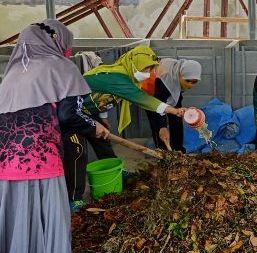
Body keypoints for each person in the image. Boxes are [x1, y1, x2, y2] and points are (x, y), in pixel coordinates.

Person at [0, 20, 109, 253]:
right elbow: (68, 115)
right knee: (49, 217)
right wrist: (95, 128)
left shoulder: (12, 74)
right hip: (40, 158)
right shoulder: (61, 67)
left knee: (16, 219)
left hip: (6, 161)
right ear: (58, 42)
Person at [62, 46, 186, 209]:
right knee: (77, 152)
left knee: (103, 141)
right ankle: (74, 198)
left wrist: (102, 118)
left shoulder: (124, 77)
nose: (148, 73)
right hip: (68, 115)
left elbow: (103, 96)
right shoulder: (117, 77)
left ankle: (116, 172)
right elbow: (142, 99)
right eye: (146, 68)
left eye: (151, 69)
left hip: (86, 111)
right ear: (134, 62)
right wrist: (173, 110)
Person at [143, 58, 202, 152]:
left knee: (177, 117)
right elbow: (154, 107)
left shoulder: (179, 71)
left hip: (168, 89)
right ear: (180, 76)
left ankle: (178, 150)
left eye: (194, 82)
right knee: (160, 129)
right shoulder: (163, 82)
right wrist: (161, 127)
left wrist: (177, 111)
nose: (190, 85)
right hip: (152, 96)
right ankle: (163, 152)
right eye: (187, 81)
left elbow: (177, 97)